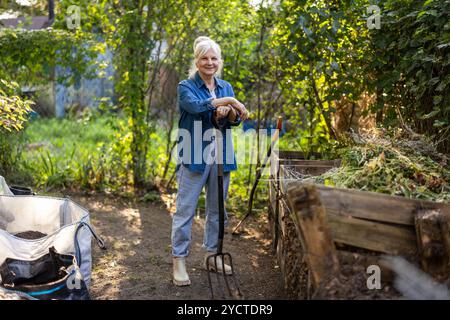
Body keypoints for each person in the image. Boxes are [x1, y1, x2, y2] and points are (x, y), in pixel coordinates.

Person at [171, 36, 249, 286]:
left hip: (221, 157)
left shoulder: (225, 86)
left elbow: (235, 120)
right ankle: (179, 261)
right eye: (204, 58)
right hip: (194, 156)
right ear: (196, 61)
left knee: (217, 211)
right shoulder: (186, 86)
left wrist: (230, 110)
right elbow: (194, 107)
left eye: (214, 58)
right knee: (185, 211)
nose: (209, 62)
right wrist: (229, 102)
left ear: (219, 61)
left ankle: (212, 255)